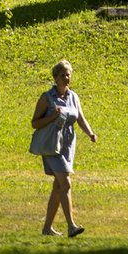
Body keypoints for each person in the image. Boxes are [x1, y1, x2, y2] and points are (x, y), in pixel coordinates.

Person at [31, 58, 96, 238]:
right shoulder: (47, 98)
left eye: (68, 75)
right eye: (63, 75)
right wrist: (52, 117)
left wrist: (90, 133)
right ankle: (71, 226)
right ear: (55, 77)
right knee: (65, 183)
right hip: (52, 145)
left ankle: (47, 229)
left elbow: (80, 118)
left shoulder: (73, 96)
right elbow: (34, 123)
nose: (66, 78)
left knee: (58, 186)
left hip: (67, 145)